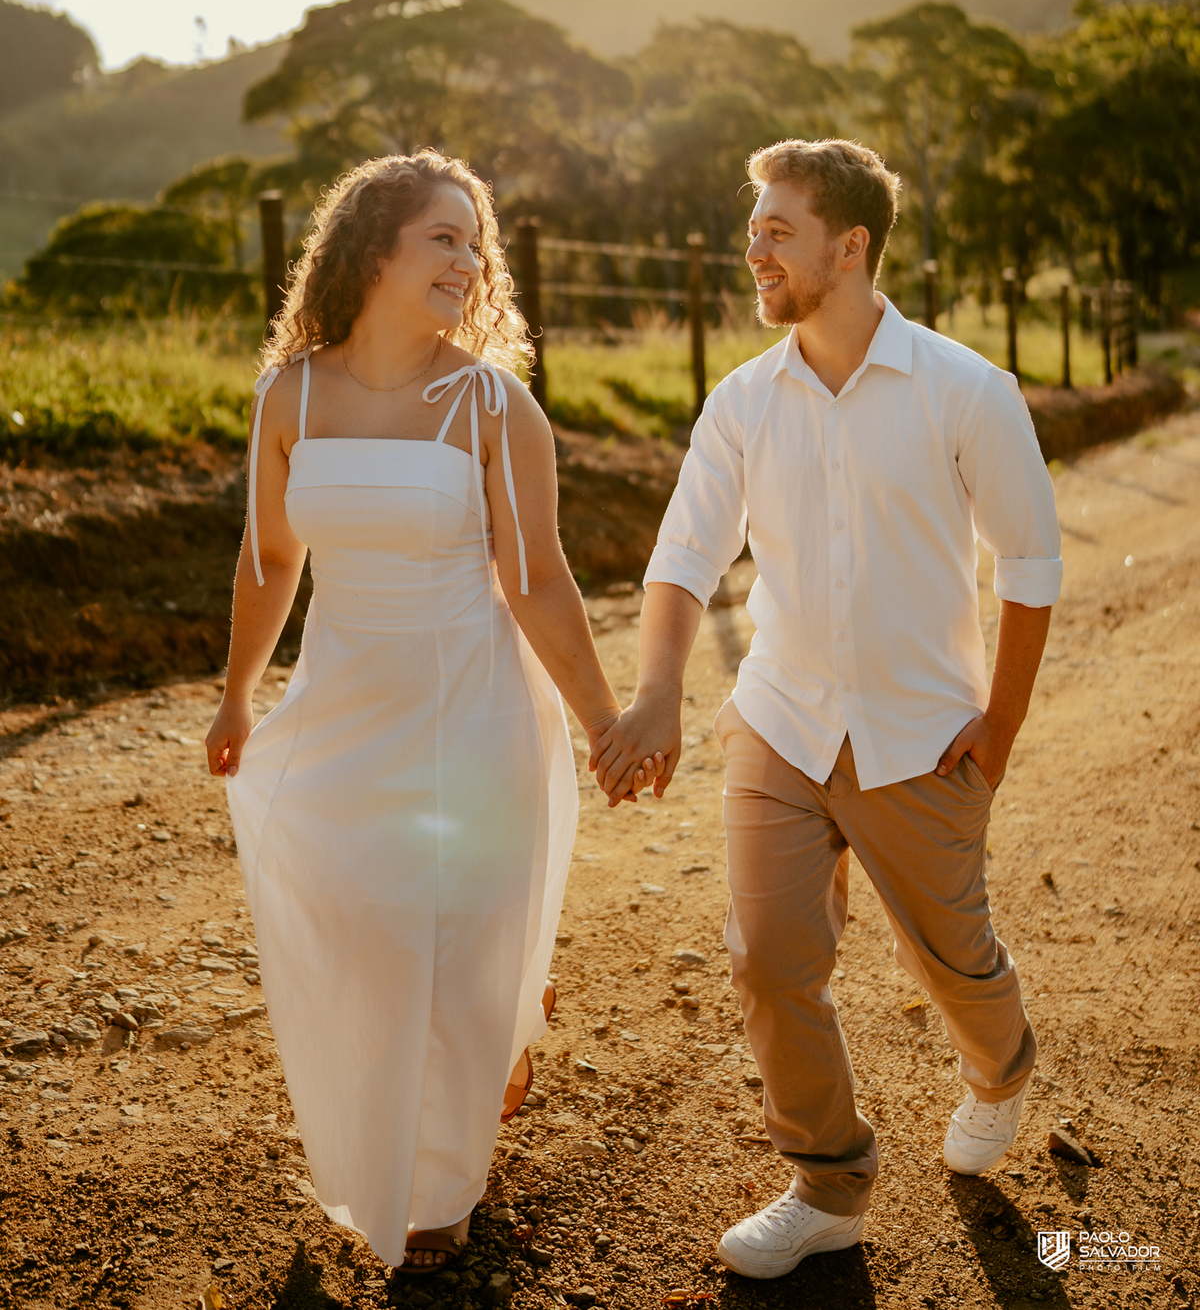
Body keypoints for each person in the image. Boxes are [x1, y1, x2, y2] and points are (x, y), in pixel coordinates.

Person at [591, 138, 1061, 1280]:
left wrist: (997, 727)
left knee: (952, 962)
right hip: (782, 723)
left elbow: (1031, 564)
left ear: (849, 247)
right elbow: (682, 558)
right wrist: (658, 694)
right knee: (768, 958)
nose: (754, 248)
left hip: (921, 733)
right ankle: (829, 1183)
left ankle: (1000, 1069)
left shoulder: (966, 389)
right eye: (752, 227)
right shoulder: (743, 401)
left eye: (778, 228)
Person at [205, 151, 661, 1277]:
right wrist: (235, 694)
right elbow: (269, 562)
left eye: (476, 243)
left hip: (473, 708)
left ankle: (440, 1196)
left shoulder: (492, 404)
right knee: (364, 929)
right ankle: (497, 1039)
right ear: (372, 251)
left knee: (453, 949)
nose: (469, 262)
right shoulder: (291, 395)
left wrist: (603, 718)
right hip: (346, 704)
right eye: (442, 239)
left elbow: (539, 580)